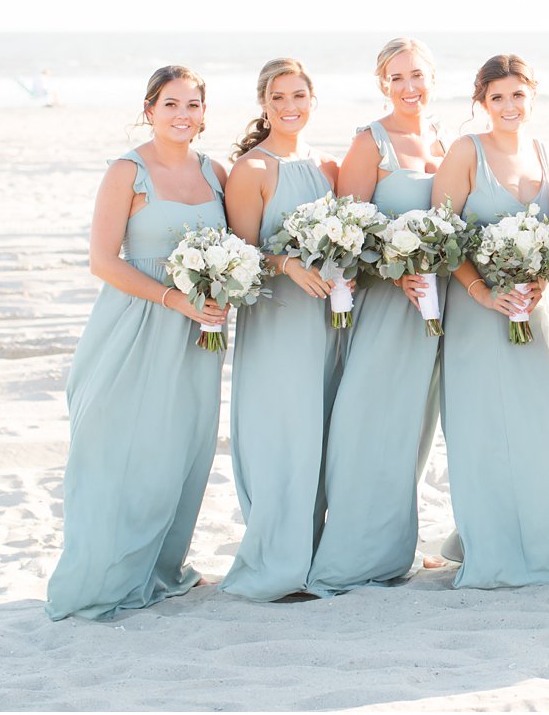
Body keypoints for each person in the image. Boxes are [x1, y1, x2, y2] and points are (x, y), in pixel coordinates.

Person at [45, 65, 228, 620]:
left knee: (180, 450)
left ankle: (161, 565)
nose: (182, 115)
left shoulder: (216, 172)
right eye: (170, 105)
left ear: (203, 113)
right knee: (118, 448)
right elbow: (102, 261)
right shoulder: (127, 172)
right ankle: (102, 572)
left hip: (198, 333)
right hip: (134, 323)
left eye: (192, 105)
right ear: (149, 110)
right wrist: (173, 299)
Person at [434, 54, 549, 588]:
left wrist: (540, 282)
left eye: (518, 96)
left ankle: (542, 537)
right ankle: (487, 541)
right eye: (497, 98)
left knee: (536, 426)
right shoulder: (466, 152)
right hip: (473, 313)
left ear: (532, 98)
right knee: (482, 429)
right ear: (481, 103)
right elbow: (441, 238)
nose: (509, 107)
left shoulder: (545, 154)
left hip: (528, 314)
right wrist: (482, 291)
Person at [308, 39, 450, 593]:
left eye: (417, 74)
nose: (409, 86)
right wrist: (397, 273)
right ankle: (353, 551)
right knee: (368, 422)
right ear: (382, 85)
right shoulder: (370, 142)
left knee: (413, 428)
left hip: (434, 309)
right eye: (397, 78)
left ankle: (391, 548)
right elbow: (345, 237)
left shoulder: (444, 140)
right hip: (387, 305)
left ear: (433, 77)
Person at [220, 58, 344, 601]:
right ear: (263, 104)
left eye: (299, 96)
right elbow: (240, 254)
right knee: (282, 433)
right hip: (277, 319)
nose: (290, 107)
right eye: (278, 98)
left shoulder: (329, 167)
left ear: (313, 100)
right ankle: (276, 558)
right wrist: (288, 264)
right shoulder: (251, 170)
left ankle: (314, 551)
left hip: (328, 318)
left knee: (319, 432)